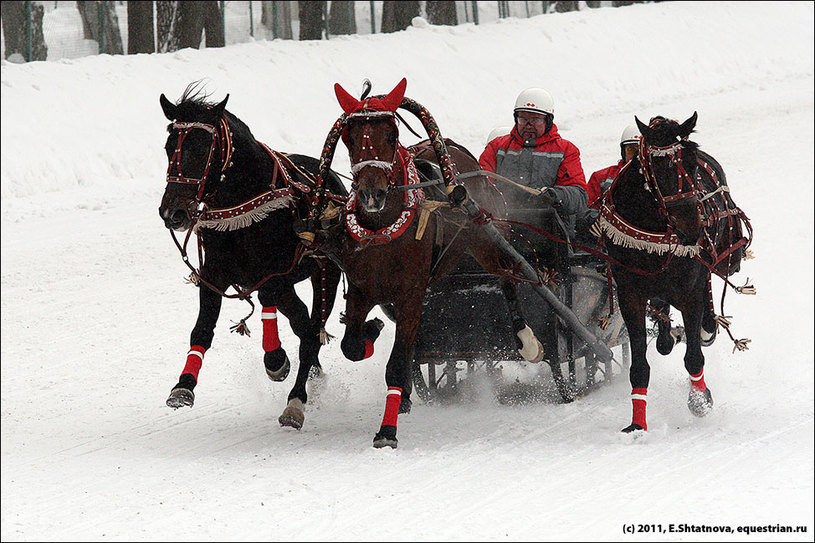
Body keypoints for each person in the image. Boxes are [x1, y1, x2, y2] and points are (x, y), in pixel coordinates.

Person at [479, 87, 589, 239]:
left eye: (535, 119)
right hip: (502, 228)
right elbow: (480, 185)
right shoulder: (497, 147)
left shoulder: (566, 150)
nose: (528, 125)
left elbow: (580, 196)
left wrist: (555, 195)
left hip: (550, 233)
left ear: (548, 120)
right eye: (523, 119)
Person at [586, 124, 640, 208]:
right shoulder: (601, 178)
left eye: (640, 151)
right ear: (623, 152)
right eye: (631, 149)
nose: (636, 156)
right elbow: (589, 209)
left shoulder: (655, 180)